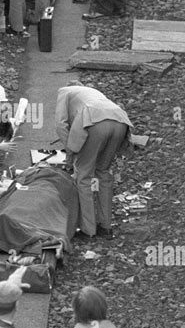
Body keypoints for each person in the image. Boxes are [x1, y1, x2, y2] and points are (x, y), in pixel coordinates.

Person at [55, 81, 133, 238]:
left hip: (95, 122)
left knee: (83, 176)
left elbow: (60, 125)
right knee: (103, 171)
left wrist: (70, 152)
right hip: (121, 121)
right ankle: (106, 226)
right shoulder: (92, 93)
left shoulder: (64, 90)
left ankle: (88, 229)